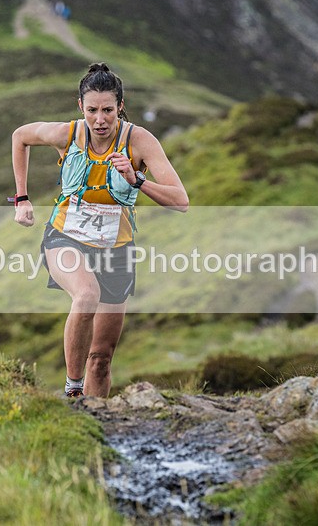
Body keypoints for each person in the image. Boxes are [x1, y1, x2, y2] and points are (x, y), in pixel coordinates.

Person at [11, 63, 189, 398]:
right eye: (92, 110)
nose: (100, 120)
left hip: (116, 251)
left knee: (102, 359)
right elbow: (20, 136)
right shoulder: (68, 134)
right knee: (86, 295)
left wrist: (138, 180)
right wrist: (21, 198)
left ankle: (96, 424)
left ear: (120, 106)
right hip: (65, 238)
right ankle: (73, 390)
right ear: (81, 107)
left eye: (108, 110)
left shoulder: (139, 142)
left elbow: (181, 201)